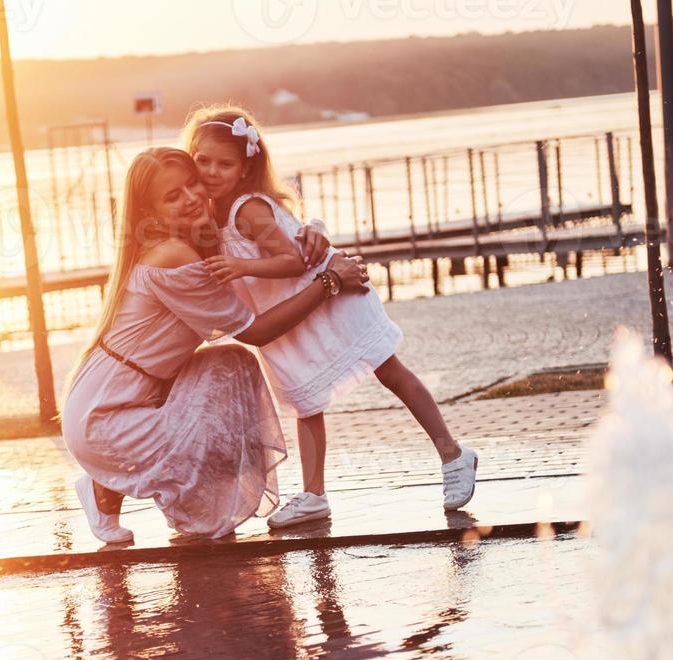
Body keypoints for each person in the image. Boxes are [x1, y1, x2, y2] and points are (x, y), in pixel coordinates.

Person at [185, 106, 479, 527]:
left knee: (389, 370)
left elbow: (291, 259)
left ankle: (453, 454)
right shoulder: (213, 213)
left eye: (225, 163)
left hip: (333, 300)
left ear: (245, 166)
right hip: (297, 310)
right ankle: (314, 494)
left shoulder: (247, 209)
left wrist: (243, 267)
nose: (212, 171)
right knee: (306, 399)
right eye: (204, 161)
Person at [60, 147, 369, 544]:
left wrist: (311, 231)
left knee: (231, 364)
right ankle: (106, 482)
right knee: (232, 376)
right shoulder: (172, 255)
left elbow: (254, 248)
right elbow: (256, 331)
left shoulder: (189, 244)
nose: (190, 198)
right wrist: (329, 283)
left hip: (108, 398)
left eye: (192, 184)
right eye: (173, 196)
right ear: (150, 215)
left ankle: (104, 491)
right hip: (103, 417)